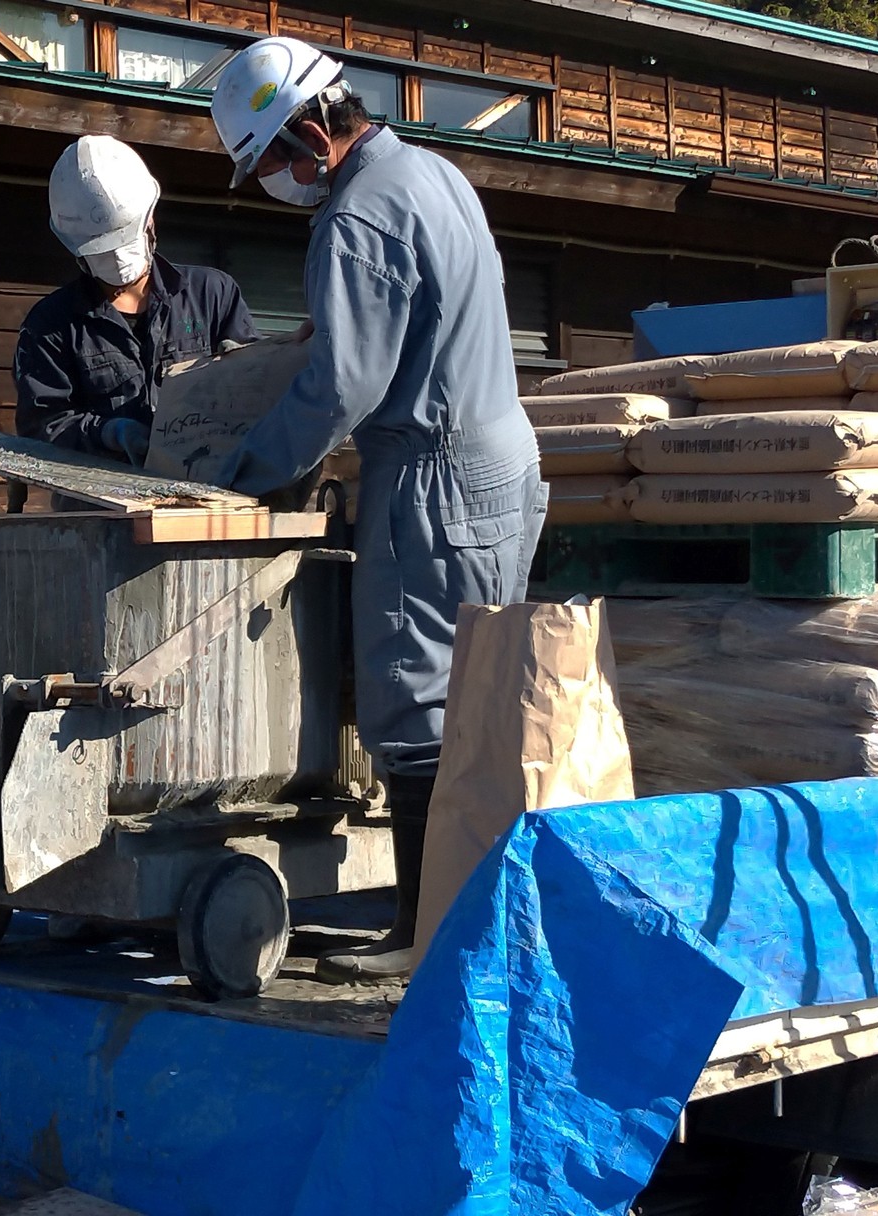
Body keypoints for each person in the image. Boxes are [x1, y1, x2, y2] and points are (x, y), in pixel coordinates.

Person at [207, 36, 548, 980]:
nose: (279, 180)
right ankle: (469, 922)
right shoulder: (436, 172)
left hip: (430, 473)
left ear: (314, 131)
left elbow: (342, 385)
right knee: (483, 696)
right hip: (503, 459)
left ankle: (423, 934)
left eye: (274, 159)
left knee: (415, 702)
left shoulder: (356, 217)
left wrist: (244, 472)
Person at [15, 135, 258, 469]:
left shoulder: (211, 295)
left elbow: (260, 392)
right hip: (105, 506)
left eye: (125, 239)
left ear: (150, 218)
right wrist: (105, 433)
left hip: (205, 491)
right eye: (101, 250)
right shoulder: (51, 325)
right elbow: (41, 425)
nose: (117, 260)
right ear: (76, 248)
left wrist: (247, 367)